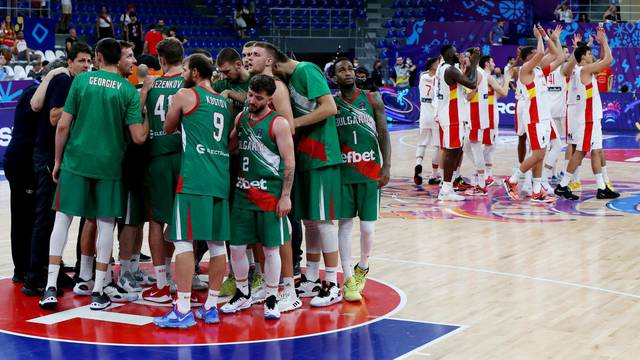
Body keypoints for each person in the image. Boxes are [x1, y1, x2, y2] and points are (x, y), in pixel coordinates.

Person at [38, 38, 147, 311]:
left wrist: (58, 160)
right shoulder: (127, 90)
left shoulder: (81, 82)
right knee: (106, 225)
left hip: (76, 160)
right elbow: (138, 137)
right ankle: (99, 289)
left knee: (62, 220)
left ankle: (50, 287)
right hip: (109, 165)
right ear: (116, 58)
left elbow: (63, 126)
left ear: (97, 56)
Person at [153, 54, 234, 328]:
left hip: (194, 177)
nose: (184, 72)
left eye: (187, 69)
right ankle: (211, 305)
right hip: (219, 176)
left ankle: (183, 308)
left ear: (196, 73)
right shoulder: (224, 102)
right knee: (216, 243)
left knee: (184, 241)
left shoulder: (186, 94)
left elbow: (167, 127)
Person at [272, 43, 344, 307]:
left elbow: (329, 107)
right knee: (311, 221)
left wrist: (294, 124)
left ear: (275, 64)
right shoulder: (291, 80)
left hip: (322, 155)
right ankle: (313, 277)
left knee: (323, 221)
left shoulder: (305, 70)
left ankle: (333, 283)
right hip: (307, 156)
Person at [221, 74, 295, 320]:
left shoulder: (279, 123)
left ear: (270, 99)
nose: (252, 100)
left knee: (271, 249)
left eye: (258, 97)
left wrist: (285, 196)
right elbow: (231, 147)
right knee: (238, 247)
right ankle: (243, 293)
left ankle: (272, 297)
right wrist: (232, 133)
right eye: (250, 95)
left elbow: (289, 163)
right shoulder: (242, 117)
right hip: (243, 193)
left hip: (268, 195)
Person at [24, 45, 92, 296]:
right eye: (81, 61)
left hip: (56, 155)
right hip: (47, 156)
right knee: (45, 217)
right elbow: (55, 117)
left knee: (54, 218)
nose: (86, 66)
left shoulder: (71, 82)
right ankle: (35, 278)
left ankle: (54, 269)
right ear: (70, 62)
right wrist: (85, 102)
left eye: (89, 61)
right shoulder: (64, 81)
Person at [245, 42, 301, 312]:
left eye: (254, 55)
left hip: (272, 171)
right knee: (258, 235)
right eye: (245, 55)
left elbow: (288, 126)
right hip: (251, 171)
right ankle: (264, 283)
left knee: (282, 234)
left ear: (269, 60)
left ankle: (288, 288)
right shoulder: (251, 88)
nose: (248, 58)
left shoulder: (275, 87)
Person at [332, 58, 391, 302]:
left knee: (367, 228)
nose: (347, 72)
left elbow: (383, 133)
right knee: (344, 225)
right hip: (344, 172)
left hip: (369, 170)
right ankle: (347, 278)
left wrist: (386, 166)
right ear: (334, 78)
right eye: (341, 70)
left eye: (350, 68)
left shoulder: (372, 98)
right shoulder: (332, 103)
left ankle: (362, 267)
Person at [139, 38, 185, 304]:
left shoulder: (151, 84)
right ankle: (181, 279)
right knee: (182, 218)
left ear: (160, 59)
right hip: (184, 157)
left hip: (157, 156)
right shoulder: (188, 84)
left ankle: (161, 282)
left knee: (157, 219)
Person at [555, 26, 619, 200]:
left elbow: (605, 60)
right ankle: (562, 185)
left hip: (591, 117)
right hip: (587, 119)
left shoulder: (584, 70)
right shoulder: (584, 70)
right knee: (582, 152)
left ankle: (601, 188)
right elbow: (609, 60)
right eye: (590, 54)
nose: (592, 56)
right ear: (583, 57)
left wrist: (600, 42)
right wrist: (603, 40)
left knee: (596, 151)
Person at [503, 25, 562, 203]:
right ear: (528, 58)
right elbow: (540, 54)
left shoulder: (539, 71)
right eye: (534, 55)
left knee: (541, 155)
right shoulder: (524, 71)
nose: (540, 56)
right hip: (534, 118)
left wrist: (546, 36)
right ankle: (512, 180)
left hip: (544, 118)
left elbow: (558, 57)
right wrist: (538, 38)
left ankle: (537, 190)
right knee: (536, 154)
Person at [4, 82, 39, 284]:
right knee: (23, 218)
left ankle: (33, 264)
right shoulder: (33, 93)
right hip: (22, 164)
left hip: (25, 162)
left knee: (32, 217)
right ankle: (21, 269)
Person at [435, 45, 479, 201]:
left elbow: (463, 81)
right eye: (454, 51)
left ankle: (447, 186)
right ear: (448, 54)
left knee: (455, 151)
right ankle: (445, 189)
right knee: (452, 151)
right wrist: (474, 63)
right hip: (452, 114)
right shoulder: (449, 70)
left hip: (448, 113)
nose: (458, 53)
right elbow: (472, 83)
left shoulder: (444, 68)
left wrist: (465, 66)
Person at [476, 55, 512, 189]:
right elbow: (504, 92)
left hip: (486, 110)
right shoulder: (488, 77)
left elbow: (496, 95)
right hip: (489, 113)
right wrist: (508, 77)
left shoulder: (482, 76)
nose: (494, 63)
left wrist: (503, 81)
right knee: (489, 146)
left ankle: (485, 174)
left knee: (488, 145)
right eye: (492, 61)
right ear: (486, 63)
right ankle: (486, 175)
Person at [414, 57, 441, 186]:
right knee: (437, 145)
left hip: (424, 113)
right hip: (435, 112)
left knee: (422, 143)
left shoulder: (422, 76)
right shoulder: (439, 78)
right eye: (437, 63)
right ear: (432, 66)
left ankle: (418, 164)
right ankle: (434, 175)